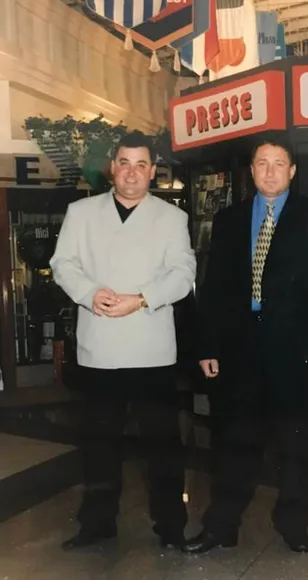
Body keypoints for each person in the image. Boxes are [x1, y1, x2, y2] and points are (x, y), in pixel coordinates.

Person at [182, 136, 308, 555]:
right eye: (262, 163)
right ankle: (222, 525)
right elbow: (214, 287)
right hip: (238, 352)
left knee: (295, 445)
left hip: (296, 352)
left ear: (292, 171)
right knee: (232, 443)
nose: (270, 171)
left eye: (279, 164)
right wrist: (208, 346)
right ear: (252, 170)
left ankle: (293, 524)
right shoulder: (229, 220)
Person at [50, 130, 196, 550]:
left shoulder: (172, 218)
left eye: (141, 165)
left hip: (152, 349)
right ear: (112, 168)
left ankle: (171, 524)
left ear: (152, 172)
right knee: (100, 445)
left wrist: (143, 298)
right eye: (125, 164)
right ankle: (97, 523)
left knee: (163, 444)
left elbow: (183, 273)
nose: (132, 173)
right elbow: (63, 264)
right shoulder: (81, 213)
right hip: (99, 347)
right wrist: (88, 293)